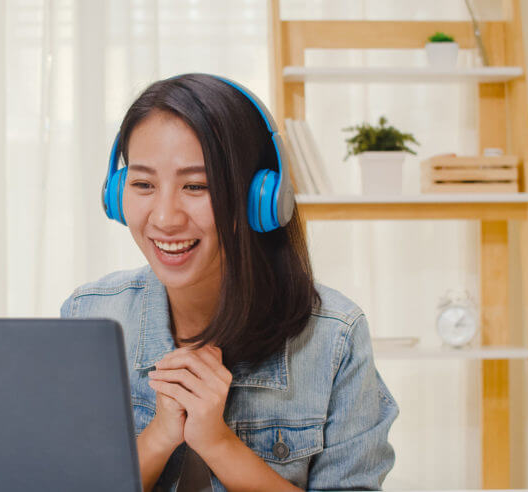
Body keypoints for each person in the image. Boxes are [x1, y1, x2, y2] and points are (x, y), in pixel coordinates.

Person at [59, 73, 397, 492]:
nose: (164, 218)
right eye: (143, 184)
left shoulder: (334, 336)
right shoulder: (88, 315)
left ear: (262, 198)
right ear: (115, 194)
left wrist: (218, 444)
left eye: (197, 185)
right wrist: (159, 437)